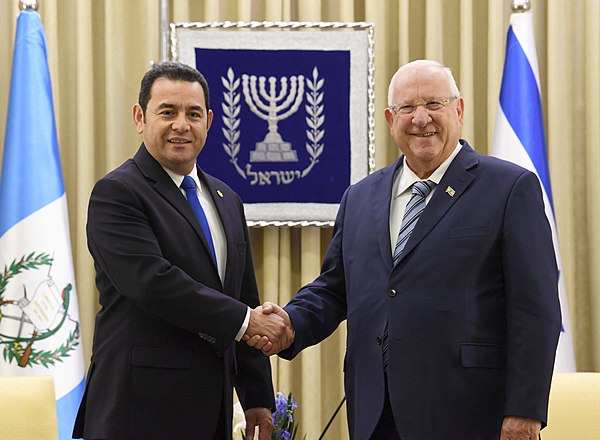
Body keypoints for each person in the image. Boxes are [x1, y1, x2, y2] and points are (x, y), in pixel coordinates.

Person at [248, 60, 562, 439]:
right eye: (407, 108)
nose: (421, 118)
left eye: (434, 104)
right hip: (375, 411)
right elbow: (336, 288)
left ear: (458, 110)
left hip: (472, 412)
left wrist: (525, 411)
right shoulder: (360, 197)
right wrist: (290, 324)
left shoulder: (510, 189)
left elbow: (536, 310)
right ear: (389, 118)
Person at [73, 62, 287, 440]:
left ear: (209, 121)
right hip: (137, 410)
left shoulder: (227, 199)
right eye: (167, 112)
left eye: (193, 114)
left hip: (210, 411)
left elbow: (241, 295)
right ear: (140, 117)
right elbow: (154, 284)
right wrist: (247, 321)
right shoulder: (118, 193)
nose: (181, 125)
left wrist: (257, 397)